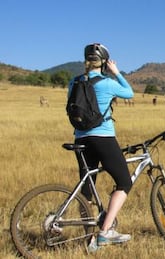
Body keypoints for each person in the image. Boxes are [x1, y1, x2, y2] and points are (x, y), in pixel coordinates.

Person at [67, 43, 134, 247]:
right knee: (124, 182)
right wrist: (117, 72)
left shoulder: (74, 81)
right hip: (102, 138)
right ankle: (105, 232)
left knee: (88, 187)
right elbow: (129, 93)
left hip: (80, 138)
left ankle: (89, 238)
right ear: (104, 62)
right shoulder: (107, 83)